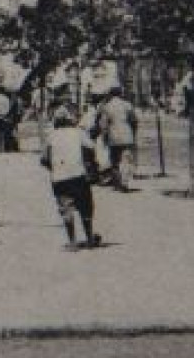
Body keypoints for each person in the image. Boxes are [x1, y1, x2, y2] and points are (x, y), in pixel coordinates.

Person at [41, 108, 99, 249]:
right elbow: (91, 147)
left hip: (59, 177)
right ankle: (90, 238)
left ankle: (72, 241)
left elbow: (44, 159)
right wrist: (90, 163)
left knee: (66, 208)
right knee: (85, 207)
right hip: (78, 174)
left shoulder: (51, 135)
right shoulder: (78, 132)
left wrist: (53, 167)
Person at [96, 86, 139, 191]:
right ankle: (124, 182)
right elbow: (134, 120)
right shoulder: (127, 105)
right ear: (120, 94)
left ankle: (117, 183)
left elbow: (103, 124)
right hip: (127, 135)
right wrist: (133, 133)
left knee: (115, 161)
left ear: (111, 94)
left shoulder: (107, 106)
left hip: (113, 136)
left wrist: (104, 136)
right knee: (126, 160)